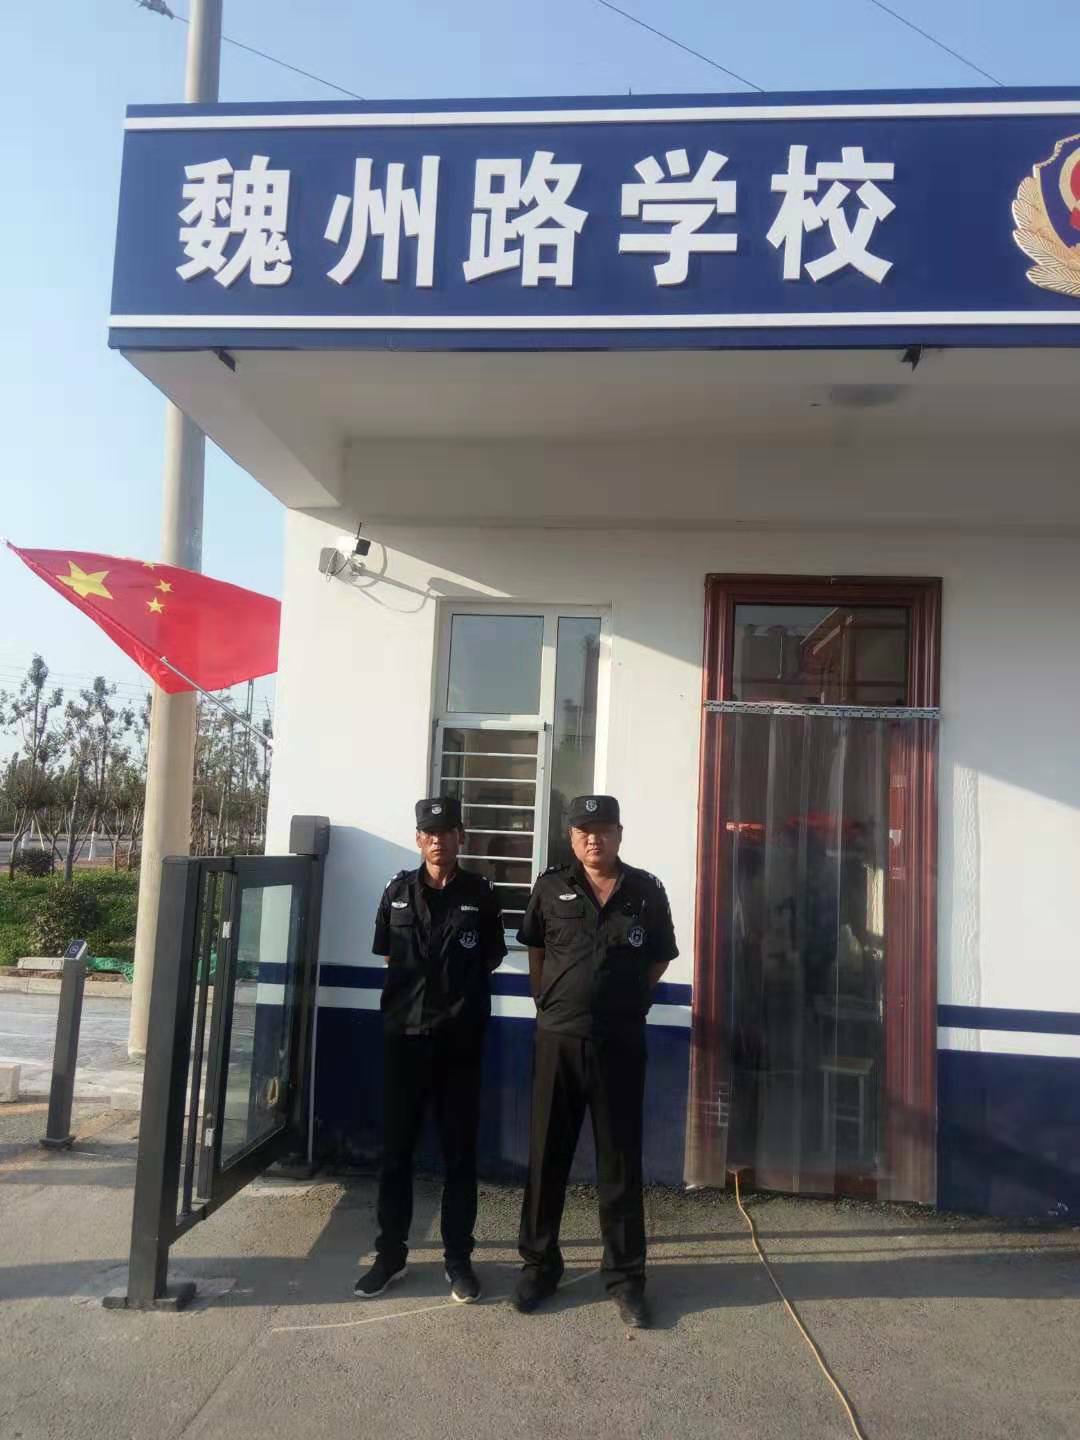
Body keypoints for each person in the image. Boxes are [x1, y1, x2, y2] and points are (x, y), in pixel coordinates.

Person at [513, 795, 678, 1329]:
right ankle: (540, 1266)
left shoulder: (645, 892)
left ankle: (626, 1278)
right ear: (571, 837)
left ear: (619, 834)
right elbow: (536, 950)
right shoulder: (549, 887)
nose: (593, 838)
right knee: (547, 1156)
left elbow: (658, 958)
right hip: (558, 1042)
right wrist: (550, 1002)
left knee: (620, 1163)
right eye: (584, 830)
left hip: (619, 1044)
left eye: (603, 829)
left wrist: (625, 1001)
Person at [354, 796, 505, 1303]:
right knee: (396, 1154)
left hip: (459, 1045)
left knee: (459, 1156)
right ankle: (389, 1256)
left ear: (461, 837)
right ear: (419, 839)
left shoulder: (481, 895)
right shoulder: (397, 892)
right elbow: (387, 955)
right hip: (404, 1042)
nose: (438, 841)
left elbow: (489, 957)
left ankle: (458, 1260)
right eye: (429, 833)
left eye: (447, 832)